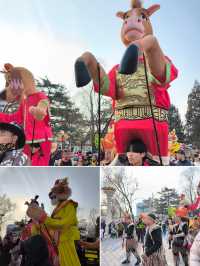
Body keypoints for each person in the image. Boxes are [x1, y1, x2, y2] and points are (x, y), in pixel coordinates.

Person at [75, 0, 178, 166]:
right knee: (120, 165)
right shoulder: (117, 69)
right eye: (126, 19)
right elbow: (107, 88)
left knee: (156, 164)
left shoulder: (158, 59)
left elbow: (162, 78)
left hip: (152, 125)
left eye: (142, 17)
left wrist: (148, 44)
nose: (130, 21)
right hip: (123, 125)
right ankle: (86, 59)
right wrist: (89, 63)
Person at [0, 64, 53, 166]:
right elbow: (15, 118)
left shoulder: (39, 95)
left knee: (37, 167)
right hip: (28, 140)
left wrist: (39, 110)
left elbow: (44, 103)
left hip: (41, 140)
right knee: (25, 165)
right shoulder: (25, 102)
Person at [26, 177, 81, 266]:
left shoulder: (70, 205)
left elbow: (63, 224)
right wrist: (38, 219)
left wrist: (43, 217)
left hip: (67, 242)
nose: (51, 197)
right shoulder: (56, 210)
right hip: (57, 244)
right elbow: (50, 225)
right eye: (50, 195)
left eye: (53, 195)